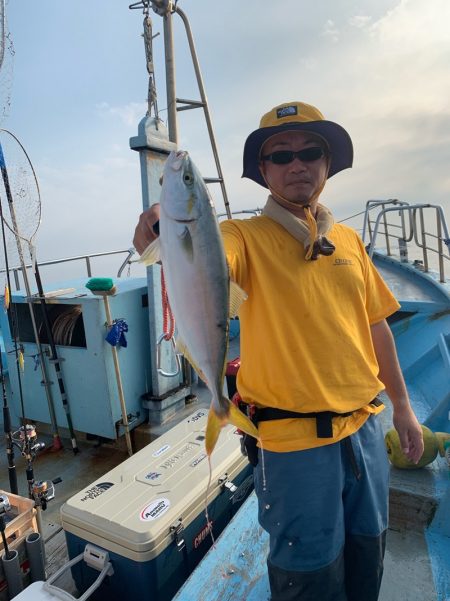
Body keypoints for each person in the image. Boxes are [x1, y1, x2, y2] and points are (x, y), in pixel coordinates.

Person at [133, 101, 424, 601]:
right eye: (281, 155)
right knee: (307, 576)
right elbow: (206, 256)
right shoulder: (242, 236)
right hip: (294, 448)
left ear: (327, 163)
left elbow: (377, 327)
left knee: (366, 555)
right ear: (263, 171)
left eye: (311, 151)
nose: (297, 163)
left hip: (366, 432)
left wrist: (402, 408)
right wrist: (165, 229)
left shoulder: (350, 242)